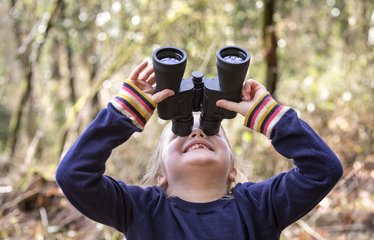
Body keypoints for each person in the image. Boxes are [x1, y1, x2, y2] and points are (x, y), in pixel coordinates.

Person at [56, 59, 343, 239]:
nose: (197, 130)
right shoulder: (141, 210)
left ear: (233, 169)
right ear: (160, 175)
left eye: (212, 131)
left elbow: (323, 169)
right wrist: (124, 113)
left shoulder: (259, 207)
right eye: (179, 132)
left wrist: (270, 116)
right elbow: (73, 176)